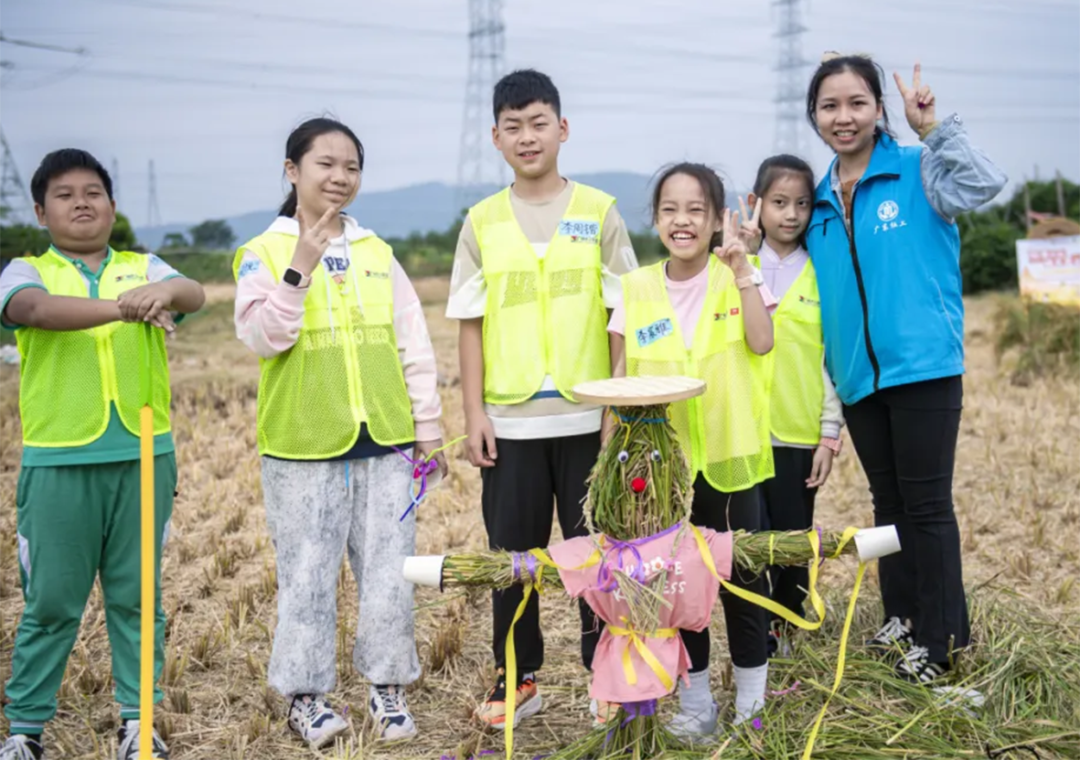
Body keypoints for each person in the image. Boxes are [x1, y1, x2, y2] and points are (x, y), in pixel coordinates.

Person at [232, 117, 446, 748]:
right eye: (326, 164)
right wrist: (300, 265)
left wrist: (427, 428)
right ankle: (306, 696)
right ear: (292, 170)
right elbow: (263, 337)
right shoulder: (261, 252)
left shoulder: (378, 251)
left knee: (390, 570)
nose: (340, 177)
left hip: (385, 438)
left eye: (351, 166)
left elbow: (413, 342)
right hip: (303, 443)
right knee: (306, 574)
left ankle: (387, 687)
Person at [804, 53, 1007, 683]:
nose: (844, 117)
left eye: (856, 103)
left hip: (922, 368)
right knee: (886, 503)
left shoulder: (919, 169)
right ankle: (902, 617)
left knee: (926, 506)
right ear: (813, 114)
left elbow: (985, 185)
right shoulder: (814, 203)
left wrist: (935, 129)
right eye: (830, 106)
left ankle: (943, 640)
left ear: (878, 109)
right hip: (859, 377)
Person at [445, 69, 639, 730]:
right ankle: (516, 677)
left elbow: (625, 313)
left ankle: (604, 674)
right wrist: (474, 414)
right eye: (513, 126)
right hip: (511, 422)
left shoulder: (599, 212)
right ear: (495, 138)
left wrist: (617, 408)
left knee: (595, 554)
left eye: (538, 123)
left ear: (563, 128)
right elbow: (469, 324)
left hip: (590, 418)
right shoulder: (481, 222)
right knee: (513, 560)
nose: (527, 136)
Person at [0, 149, 205, 760]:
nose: (82, 202)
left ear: (113, 206)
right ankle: (24, 730)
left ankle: (138, 724)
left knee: (139, 599)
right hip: (59, 460)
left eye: (94, 192)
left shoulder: (144, 266)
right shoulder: (24, 270)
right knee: (51, 603)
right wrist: (127, 307)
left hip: (144, 455)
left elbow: (190, 292)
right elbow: (30, 312)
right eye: (65, 194)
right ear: (41, 211)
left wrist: (160, 289)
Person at [608, 163, 775, 735]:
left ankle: (752, 702)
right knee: (682, 587)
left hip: (731, 460)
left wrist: (744, 270)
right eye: (670, 210)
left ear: (716, 220)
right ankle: (697, 702)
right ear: (655, 220)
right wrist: (612, 456)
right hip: (664, 472)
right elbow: (620, 380)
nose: (683, 221)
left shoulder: (738, 276)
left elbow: (761, 340)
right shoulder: (636, 290)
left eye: (696, 210)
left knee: (742, 580)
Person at [746, 155, 844, 656]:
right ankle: (753, 627)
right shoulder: (737, 270)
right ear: (755, 205)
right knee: (747, 538)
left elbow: (831, 361)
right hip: (743, 433)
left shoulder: (824, 274)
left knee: (791, 537)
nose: (790, 215)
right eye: (779, 203)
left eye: (802, 204)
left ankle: (787, 625)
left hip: (797, 433)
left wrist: (829, 434)